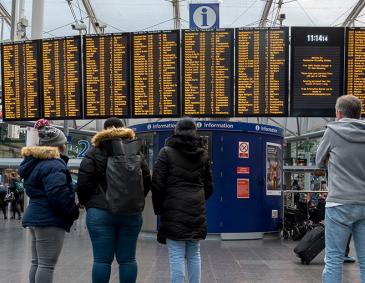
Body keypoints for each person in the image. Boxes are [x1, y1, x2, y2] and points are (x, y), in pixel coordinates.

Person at [77, 117, 151, 283]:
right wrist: (134, 200)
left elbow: (84, 183)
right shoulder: (136, 151)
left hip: (100, 212)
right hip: (131, 212)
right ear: (123, 129)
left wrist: (90, 203)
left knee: (102, 260)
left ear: (103, 131)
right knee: (128, 260)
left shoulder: (93, 152)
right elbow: (146, 180)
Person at [151, 118, 213, 283]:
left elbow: (157, 184)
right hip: (196, 210)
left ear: (176, 131)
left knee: (176, 255)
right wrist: (198, 199)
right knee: (194, 254)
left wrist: (159, 208)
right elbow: (209, 186)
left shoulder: (165, 152)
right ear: (195, 132)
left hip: (173, 210)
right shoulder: (203, 154)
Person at [18, 121, 79, 283]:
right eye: (64, 143)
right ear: (58, 146)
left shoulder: (34, 162)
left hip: (35, 215)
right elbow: (58, 193)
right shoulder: (54, 164)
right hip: (49, 218)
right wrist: (72, 211)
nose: (65, 146)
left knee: (37, 262)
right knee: (46, 265)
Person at [316, 95, 365, 283]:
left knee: (334, 259)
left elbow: (319, 161)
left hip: (339, 204)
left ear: (338, 113)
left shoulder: (333, 132)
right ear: (359, 113)